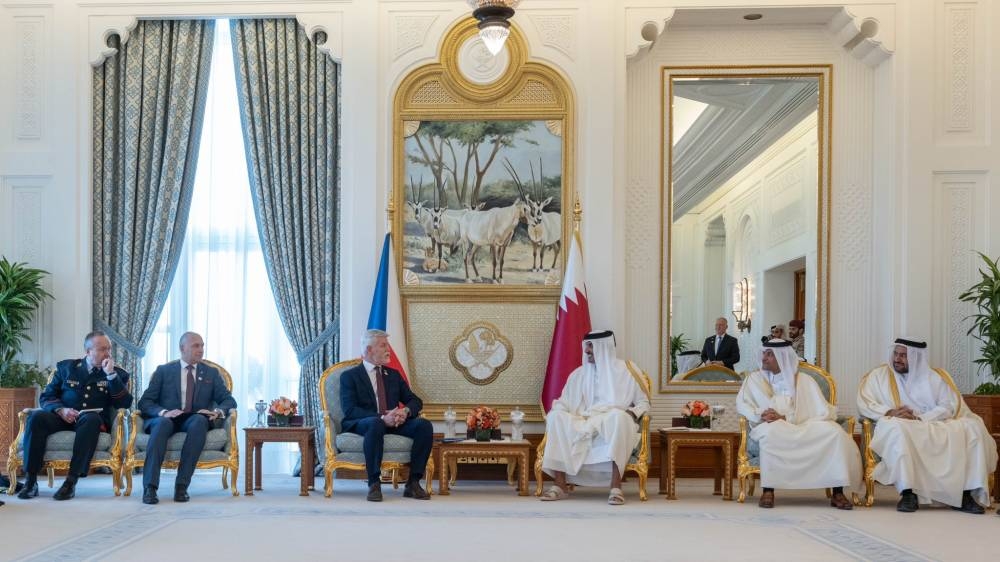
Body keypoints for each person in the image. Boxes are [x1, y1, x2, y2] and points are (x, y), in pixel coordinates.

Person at [857, 338, 997, 514]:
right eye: (896, 354)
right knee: (897, 429)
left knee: (971, 427)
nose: (897, 359)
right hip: (900, 423)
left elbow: (949, 405)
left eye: (903, 355)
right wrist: (890, 412)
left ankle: (964, 494)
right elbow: (865, 401)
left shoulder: (935, 377)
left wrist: (922, 418)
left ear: (916, 358)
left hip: (930, 422)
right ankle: (908, 493)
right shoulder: (879, 376)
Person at [736, 339, 861, 509]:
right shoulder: (754, 380)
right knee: (772, 432)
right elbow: (742, 404)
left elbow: (819, 411)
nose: (764, 358)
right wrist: (761, 414)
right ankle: (768, 490)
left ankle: (837, 492)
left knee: (835, 432)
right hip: (771, 424)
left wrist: (786, 417)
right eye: (764, 353)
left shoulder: (805, 381)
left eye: (769, 354)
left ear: (783, 357)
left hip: (803, 424)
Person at [17, 331, 132, 500]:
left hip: (90, 421)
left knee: (91, 418)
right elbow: (46, 397)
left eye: (108, 349)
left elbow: (123, 405)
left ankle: (70, 482)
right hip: (62, 417)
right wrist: (60, 410)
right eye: (102, 349)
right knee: (36, 418)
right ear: (88, 351)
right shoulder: (67, 368)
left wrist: (111, 376)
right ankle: (31, 481)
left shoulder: (117, 374)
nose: (107, 353)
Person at [539, 330, 650, 505]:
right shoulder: (579, 374)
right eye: (586, 346)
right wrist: (557, 410)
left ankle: (615, 487)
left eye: (591, 346)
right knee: (556, 417)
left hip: (612, 419)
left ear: (603, 347)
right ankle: (560, 485)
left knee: (619, 418)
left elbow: (644, 402)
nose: (586, 351)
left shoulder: (627, 370)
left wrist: (631, 413)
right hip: (584, 419)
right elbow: (564, 401)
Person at [137, 332, 236, 504]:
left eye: (202, 345)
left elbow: (229, 400)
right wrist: (163, 412)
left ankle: (181, 486)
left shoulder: (211, 373)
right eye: (196, 346)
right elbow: (145, 402)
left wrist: (218, 411)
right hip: (167, 417)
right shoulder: (164, 371)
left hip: (193, 418)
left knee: (199, 421)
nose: (201, 350)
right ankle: (150, 488)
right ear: (183, 348)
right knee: (161, 425)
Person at [340, 329, 432, 502]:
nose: (388, 349)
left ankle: (413, 483)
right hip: (364, 423)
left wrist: (404, 411)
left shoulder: (393, 375)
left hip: (394, 423)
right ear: (369, 350)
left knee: (424, 425)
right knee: (376, 423)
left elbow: (415, 400)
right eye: (383, 345)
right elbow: (350, 410)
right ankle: (374, 483)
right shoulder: (349, 376)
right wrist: (382, 418)